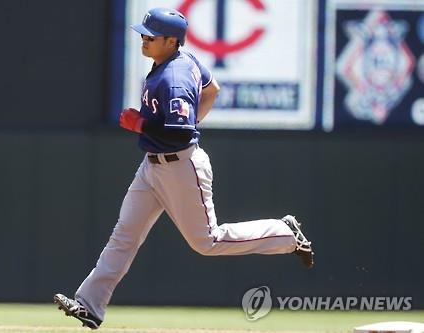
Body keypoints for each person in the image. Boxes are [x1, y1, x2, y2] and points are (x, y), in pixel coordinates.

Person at [54, 7, 314, 330]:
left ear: (171, 41)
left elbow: (178, 132)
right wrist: (169, 125)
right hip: (152, 167)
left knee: (208, 242)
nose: (144, 40)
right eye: (143, 34)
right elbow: (212, 89)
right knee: (124, 235)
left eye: (151, 36)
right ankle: (90, 305)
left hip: (180, 167)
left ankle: (286, 233)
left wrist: (141, 126)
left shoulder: (174, 77)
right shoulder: (182, 60)